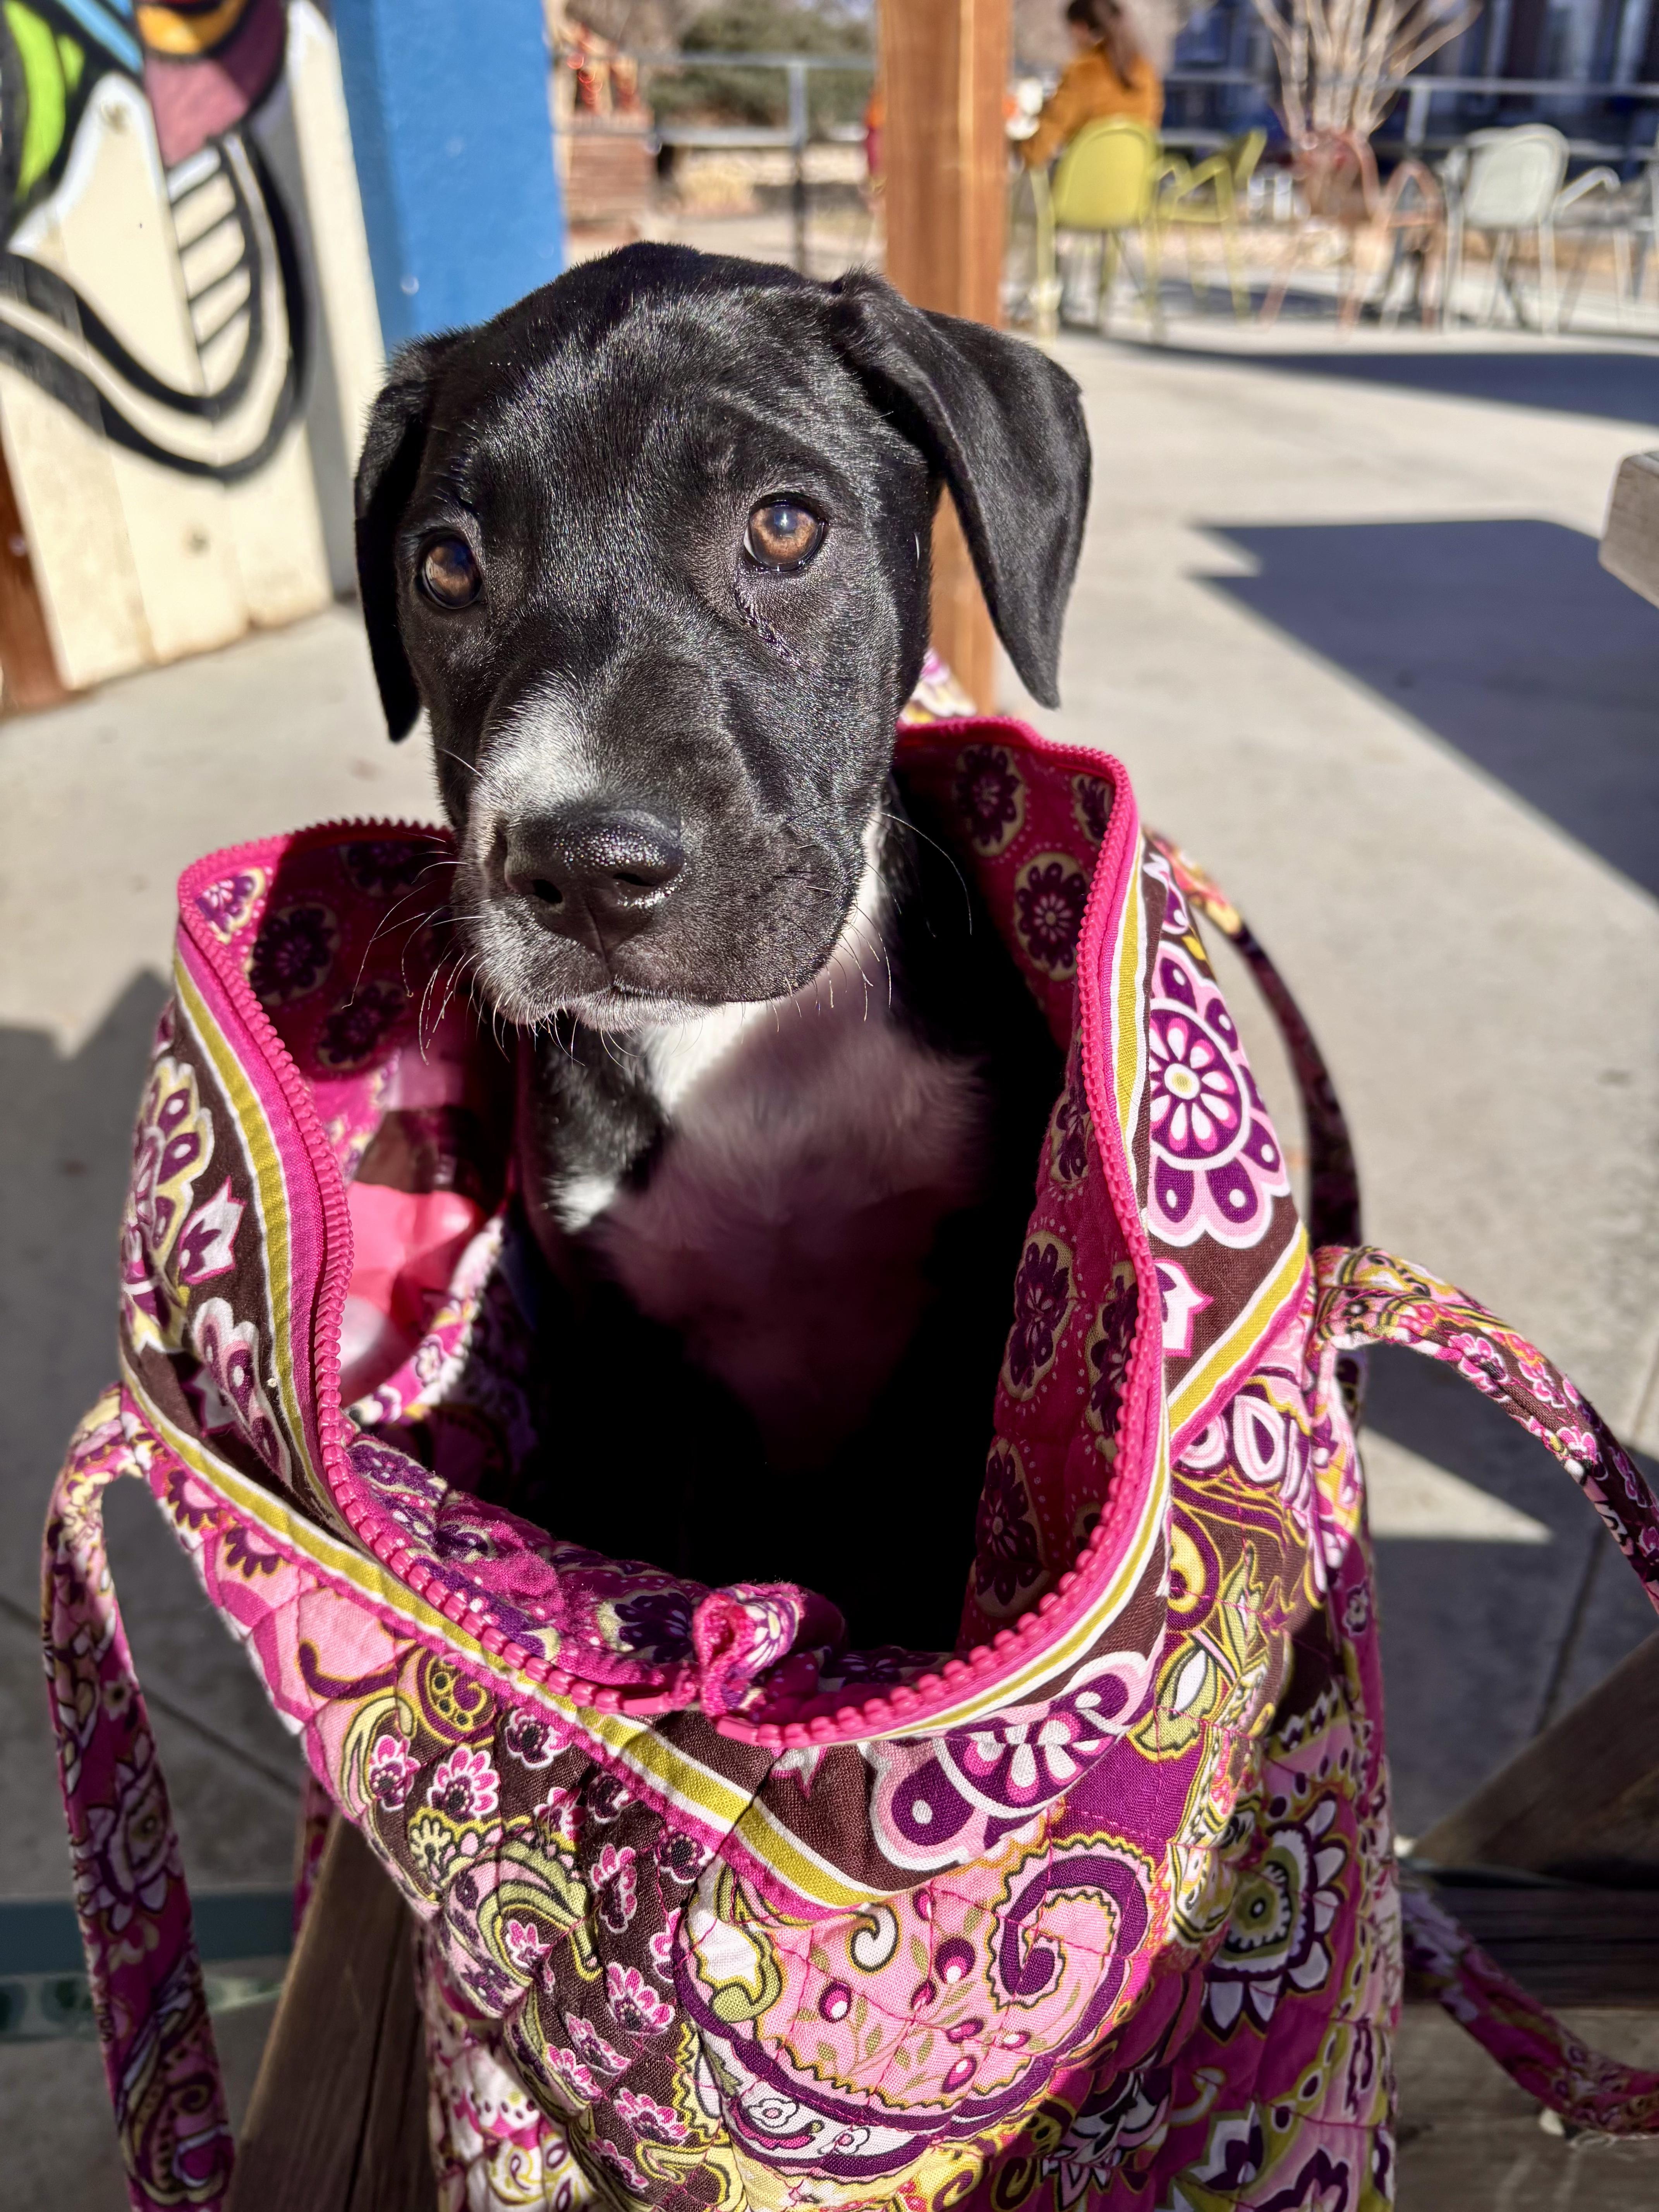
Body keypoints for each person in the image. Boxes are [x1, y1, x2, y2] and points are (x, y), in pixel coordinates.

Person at [1020, 0, 1163, 169]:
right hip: (1132, 188)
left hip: (1085, 185)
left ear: (1080, 29)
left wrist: (1017, 149)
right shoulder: (1144, 72)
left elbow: (1041, 147)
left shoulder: (1081, 74)